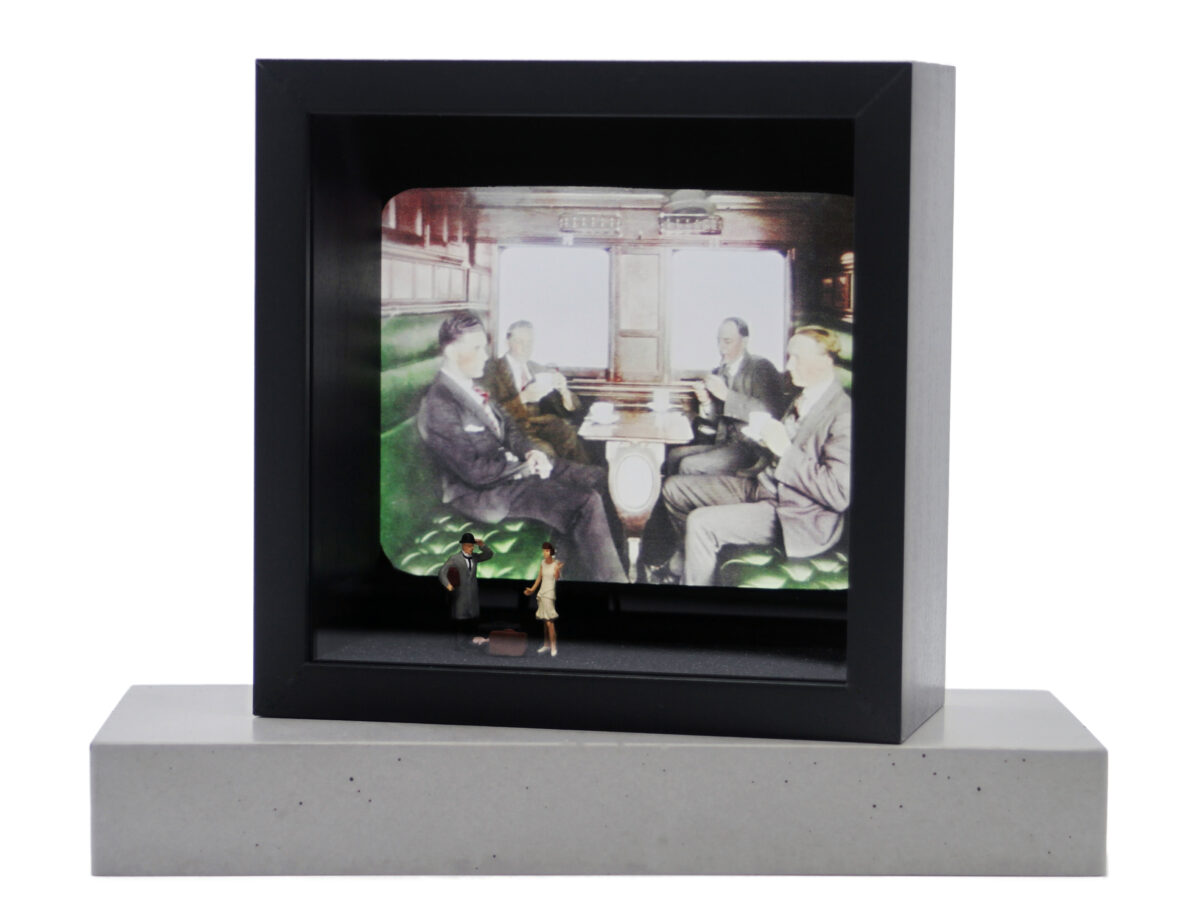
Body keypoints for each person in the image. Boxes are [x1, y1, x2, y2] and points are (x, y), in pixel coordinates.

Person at [417, 312, 628, 584]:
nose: (485, 356)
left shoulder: (471, 387)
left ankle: (612, 568)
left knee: (602, 479)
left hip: (508, 473)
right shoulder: (439, 402)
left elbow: (510, 429)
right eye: (477, 348)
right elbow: (473, 472)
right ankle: (615, 587)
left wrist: (531, 452)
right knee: (586, 502)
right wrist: (524, 467)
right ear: (451, 351)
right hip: (482, 494)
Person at [659, 326, 851, 586]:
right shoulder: (804, 396)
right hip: (763, 485)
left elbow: (838, 494)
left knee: (700, 523)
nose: (788, 366)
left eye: (797, 358)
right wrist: (765, 440)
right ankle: (686, 560)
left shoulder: (843, 413)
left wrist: (784, 451)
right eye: (789, 357)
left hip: (794, 512)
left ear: (824, 361)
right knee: (674, 489)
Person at [668, 317, 785, 476]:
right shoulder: (719, 372)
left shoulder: (761, 367)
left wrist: (727, 395)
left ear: (744, 342)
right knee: (674, 456)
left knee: (688, 465)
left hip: (751, 449)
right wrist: (706, 402)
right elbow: (716, 421)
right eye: (719, 341)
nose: (721, 348)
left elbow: (770, 411)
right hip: (724, 443)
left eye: (727, 341)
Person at [480, 320, 591, 463]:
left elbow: (570, 409)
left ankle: (587, 475)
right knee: (545, 451)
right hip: (510, 430)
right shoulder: (490, 370)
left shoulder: (538, 369)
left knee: (570, 434)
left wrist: (564, 391)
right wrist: (523, 398)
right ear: (507, 342)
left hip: (539, 426)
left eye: (530, 342)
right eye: (520, 341)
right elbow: (488, 412)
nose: (526, 347)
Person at [438, 532, 494, 647]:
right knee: (460, 618)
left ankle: (471, 641)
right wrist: (448, 585)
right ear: (463, 545)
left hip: (472, 593)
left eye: (472, 546)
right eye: (468, 546)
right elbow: (442, 572)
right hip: (460, 593)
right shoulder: (455, 558)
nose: (471, 548)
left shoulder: (475, 558)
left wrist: (482, 545)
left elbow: (489, 555)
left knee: (472, 618)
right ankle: (459, 643)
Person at [524, 542, 563, 656]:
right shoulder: (542, 563)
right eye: (543, 551)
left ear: (551, 551)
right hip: (541, 593)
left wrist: (557, 569)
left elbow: (557, 577)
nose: (544, 553)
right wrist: (532, 589)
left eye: (546, 550)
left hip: (549, 594)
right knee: (544, 621)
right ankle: (546, 645)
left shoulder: (556, 563)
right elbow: (539, 578)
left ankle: (553, 647)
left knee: (550, 622)